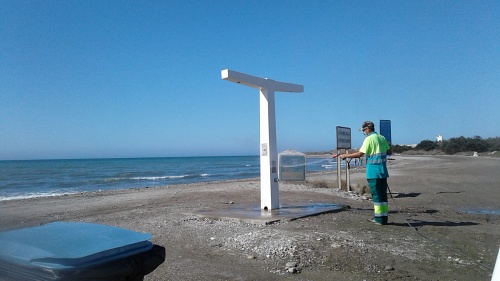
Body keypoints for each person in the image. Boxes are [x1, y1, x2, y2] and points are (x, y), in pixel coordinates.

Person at [339, 121, 392, 225]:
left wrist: (345, 156)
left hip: (373, 171)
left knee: (376, 196)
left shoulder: (369, 139)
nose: (364, 132)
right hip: (383, 171)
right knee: (383, 196)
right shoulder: (382, 138)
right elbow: (389, 152)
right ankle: (384, 218)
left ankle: (378, 219)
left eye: (364, 130)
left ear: (367, 129)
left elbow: (360, 154)